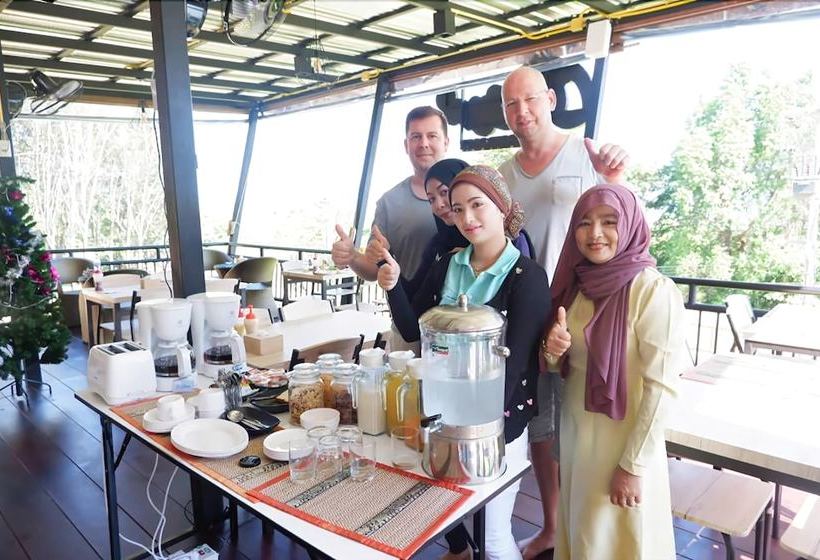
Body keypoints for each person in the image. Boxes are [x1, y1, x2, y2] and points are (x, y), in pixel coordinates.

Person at [377, 165, 550, 560]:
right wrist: (392, 284)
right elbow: (412, 325)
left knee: (491, 534)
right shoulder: (448, 264)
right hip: (442, 415)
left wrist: (478, 432)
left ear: (502, 207)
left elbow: (517, 364)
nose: (468, 218)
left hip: (496, 422)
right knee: (445, 512)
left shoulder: (526, 276)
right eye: (458, 209)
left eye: (478, 205)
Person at [498, 65, 630, 558]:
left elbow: (624, 218)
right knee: (543, 424)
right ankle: (554, 526)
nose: (522, 111)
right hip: (530, 317)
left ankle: (595, 529)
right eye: (511, 104)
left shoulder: (587, 152)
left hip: (585, 310)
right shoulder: (505, 175)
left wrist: (616, 177)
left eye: (529, 99)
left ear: (550, 98)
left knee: (590, 420)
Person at [541, 184, 686, 559]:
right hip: (578, 439)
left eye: (609, 222)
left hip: (624, 447)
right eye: (584, 223)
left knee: (620, 542)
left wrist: (633, 466)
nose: (595, 234)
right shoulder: (577, 286)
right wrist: (553, 351)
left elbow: (662, 388)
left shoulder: (652, 291)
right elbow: (565, 364)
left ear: (631, 225)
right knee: (583, 537)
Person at [332, 106, 449, 350]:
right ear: (406, 145)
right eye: (416, 137)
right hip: (407, 326)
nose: (424, 143)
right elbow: (374, 269)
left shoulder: (470, 193)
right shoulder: (389, 202)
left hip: (458, 327)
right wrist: (353, 256)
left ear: (446, 142)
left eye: (432, 136)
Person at [380, 157, 536, 302]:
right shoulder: (438, 247)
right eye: (431, 199)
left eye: (444, 192)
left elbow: (520, 300)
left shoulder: (513, 241)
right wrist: (387, 264)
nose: (439, 205)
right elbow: (415, 297)